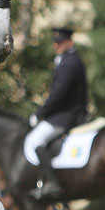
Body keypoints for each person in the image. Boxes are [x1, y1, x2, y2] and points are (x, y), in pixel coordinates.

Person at [25, 27, 88, 200]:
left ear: (70, 42)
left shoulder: (70, 63)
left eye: (59, 42)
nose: (56, 45)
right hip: (66, 112)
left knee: (35, 140)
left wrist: (40, 113)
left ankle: (52, 183)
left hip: (67, 115)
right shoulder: (68, 60)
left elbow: (59, 94)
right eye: (55, 42)